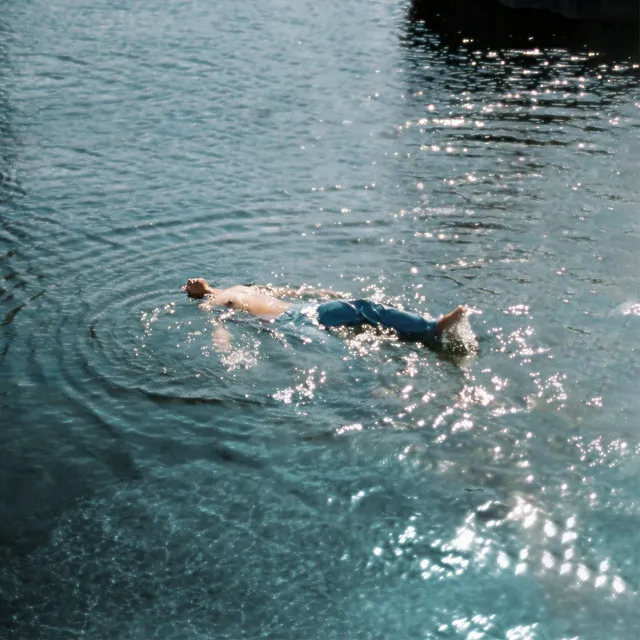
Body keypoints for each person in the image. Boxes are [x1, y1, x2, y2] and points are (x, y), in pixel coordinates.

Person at [182, 277, 469, 350]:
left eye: (192, 280)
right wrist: (224, 343)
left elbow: (290, 292)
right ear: (191, 294)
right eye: (188, 285)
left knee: (364, 306)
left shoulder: (242, 285)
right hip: (286, 324)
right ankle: (371, 387)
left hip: (303, 310)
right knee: (334, 348)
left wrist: (325, 295)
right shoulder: (215, 302)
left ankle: (433, 326)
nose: (192, 281)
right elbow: (217, 322)